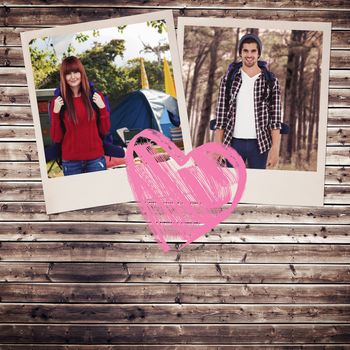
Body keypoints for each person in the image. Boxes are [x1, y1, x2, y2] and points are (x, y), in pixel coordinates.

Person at [213, 33, 282, 169]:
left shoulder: (270, 81)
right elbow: (221, 117)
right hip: (233, 143)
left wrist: (275, 148)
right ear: (240, 53)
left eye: (253, 51)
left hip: (260, 145)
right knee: (234, 187)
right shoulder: (228, 80)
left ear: (258, 53)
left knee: (258, 187)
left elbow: (275, 119)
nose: (249, 55)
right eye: (245, 50)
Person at [50, 56, 111, 176]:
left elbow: (105, 130)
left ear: (81, 73)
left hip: (95, 159)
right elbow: (56, 138)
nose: (73, 77)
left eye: (76, 72)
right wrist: (55, 113)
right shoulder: (57, 102)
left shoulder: (96, 97)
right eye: (68, 73)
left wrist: (102, 108)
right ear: (63, 77)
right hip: (71, 162)